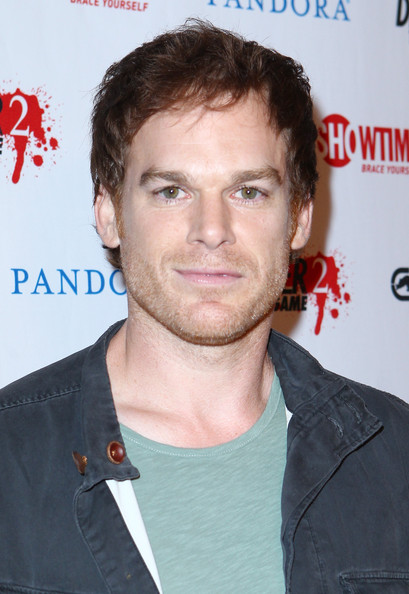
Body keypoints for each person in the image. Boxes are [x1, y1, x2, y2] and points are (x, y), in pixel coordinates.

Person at [1, 19, 409, 594]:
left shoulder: (394, 454)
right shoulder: (10, 458)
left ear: (298, 219)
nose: (212, 230)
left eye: (249, 192)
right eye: (172, 191)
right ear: (109, 215)